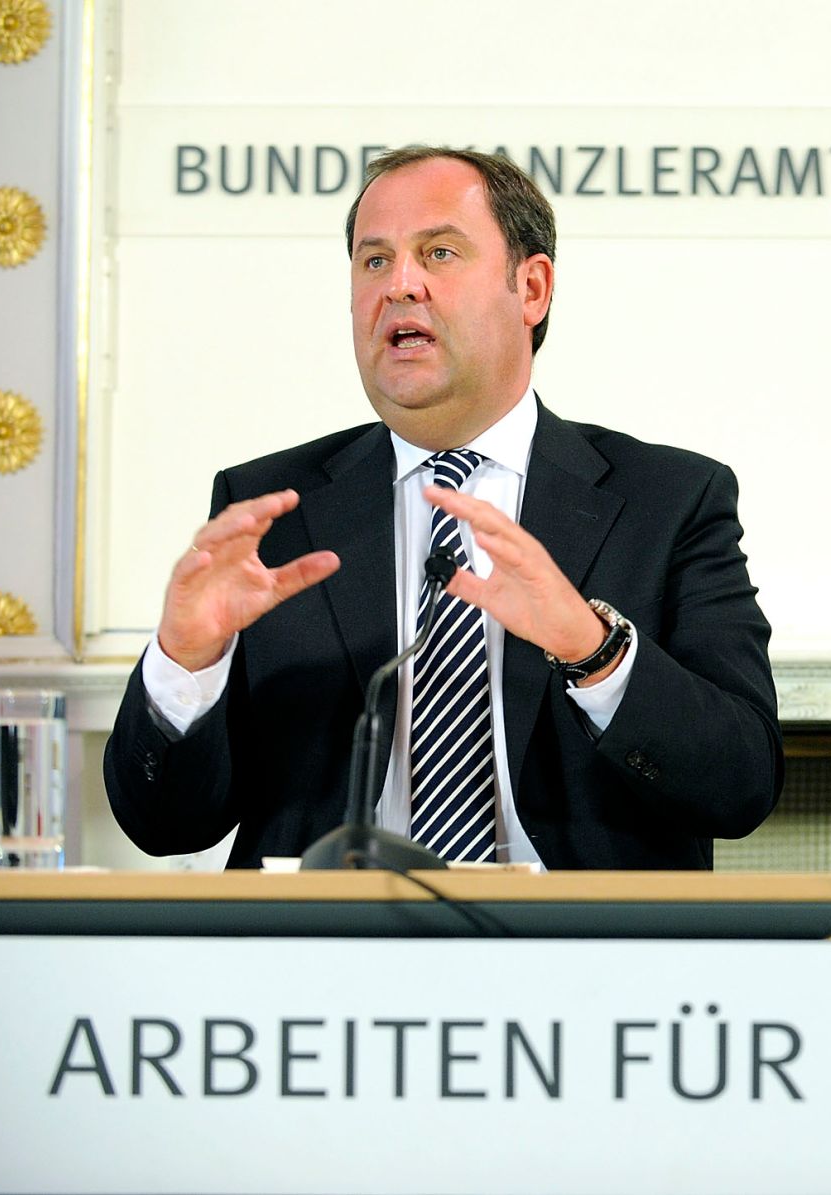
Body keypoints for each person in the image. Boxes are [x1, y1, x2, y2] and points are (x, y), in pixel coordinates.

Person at [104, 146, 781, 869]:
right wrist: (187, 661)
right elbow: (165, 824)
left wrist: (594, 650)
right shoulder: (271, 508)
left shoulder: (668, 501)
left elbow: (740, 784)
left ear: (532, 288)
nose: (400, 285)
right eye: (373, 261)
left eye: (440, 252)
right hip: (324, 954)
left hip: (581, 956)